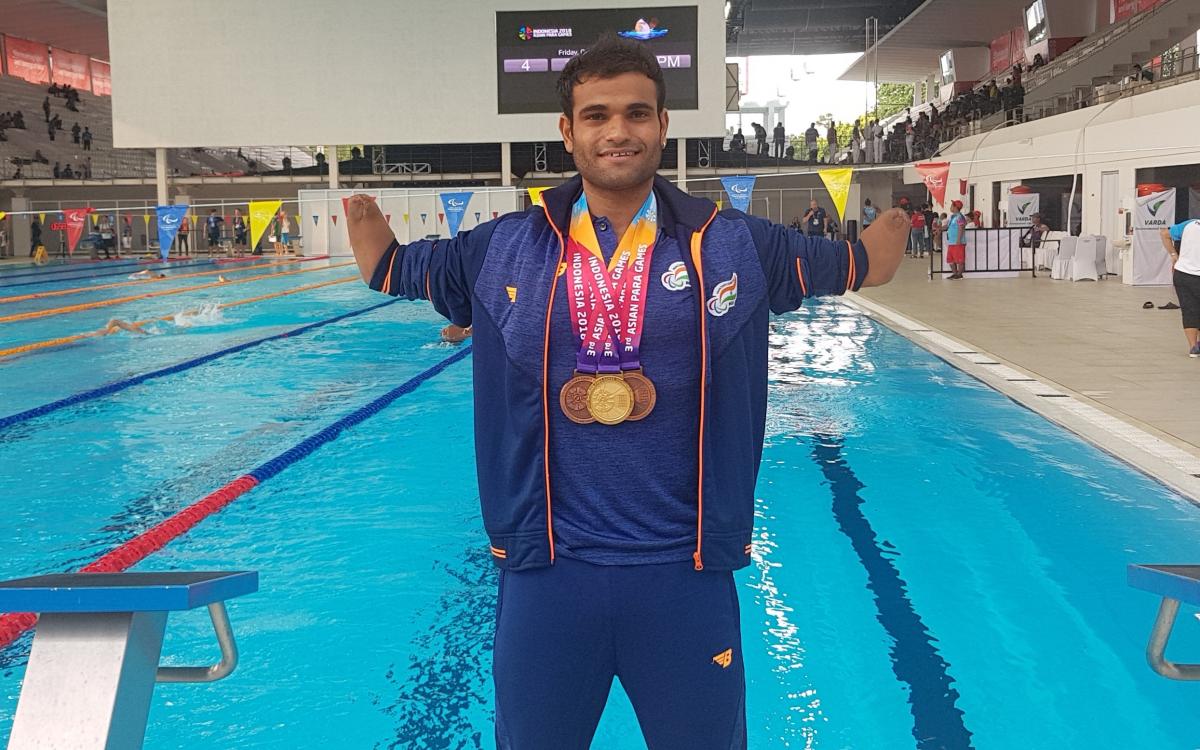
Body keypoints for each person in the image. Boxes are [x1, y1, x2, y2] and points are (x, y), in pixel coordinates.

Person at [343, 34, 907, 749]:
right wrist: (365, 222)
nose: (618, 131)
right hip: (548, 573)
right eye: (598, 114)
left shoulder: (735, 244)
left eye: (637, 113)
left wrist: (896, 221)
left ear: (663, 126)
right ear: (568, 132)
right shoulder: (502, 248)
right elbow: (388, 267)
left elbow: (863, 265)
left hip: (686, 572)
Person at [1161, 217, 1200, 356]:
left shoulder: (1189, 224)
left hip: (1183, 274)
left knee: (1189, 310)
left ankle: (1193, 347)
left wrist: (1173, 254)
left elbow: (1164, 233)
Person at [945, 200, 968, 279]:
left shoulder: (959, 216)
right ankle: (955, 273)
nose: (950, 207)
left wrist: (958, 239)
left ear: (955, 207)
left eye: (952, 205)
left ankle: (959, 274)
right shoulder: (952, 217)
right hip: (951, 242)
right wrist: (939, 229)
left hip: (957, 242)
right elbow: (947, 226)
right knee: (950, 259)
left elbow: (961, 227)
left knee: (959, 259)